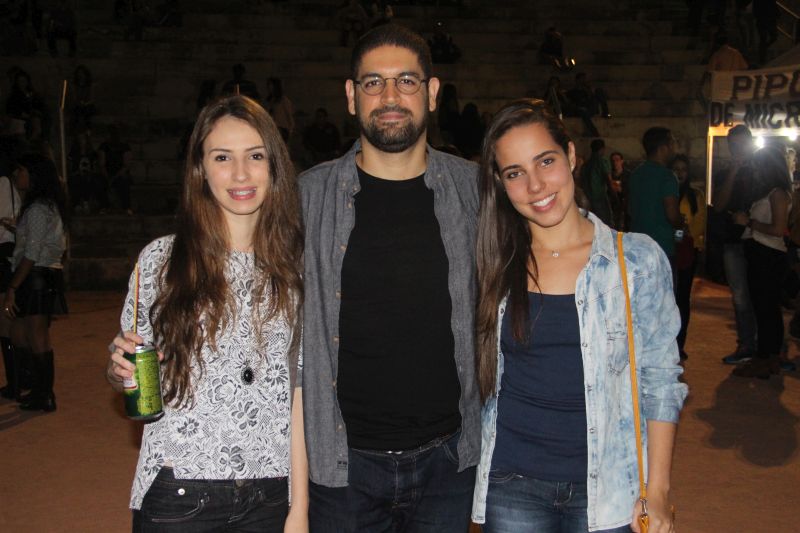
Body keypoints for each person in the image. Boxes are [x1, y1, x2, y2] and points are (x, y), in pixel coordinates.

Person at [471, 98, 687, 533]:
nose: (535, 185)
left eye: (545, 161)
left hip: (610, 486)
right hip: (512, 482)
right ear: (500, 183)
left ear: (570, 156)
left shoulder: (636, 261)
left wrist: (658, 489)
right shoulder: (492, 262)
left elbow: (661, 380)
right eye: (514, 173)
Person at [298, 24, 480, 532]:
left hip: (449, 462)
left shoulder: (474, 191)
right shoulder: (306, 198)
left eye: (407, 81)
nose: (391, 96)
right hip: (343, 466)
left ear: (432, 92)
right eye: (374, 83)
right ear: (351, 95)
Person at [106, 95, 309, 531]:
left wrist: (300, 508)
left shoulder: (298, 269)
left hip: (271, 494)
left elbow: (301, 394)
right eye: (222, 157)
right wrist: (120, 370)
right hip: (180, 490)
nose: (241, 173)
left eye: (255, 156)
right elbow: (134, 371)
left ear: (275, 166)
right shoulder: (161, 260)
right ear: (200, 169)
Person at [3, 153, 68, 412]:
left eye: (22, 171)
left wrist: (13, 287)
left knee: (36, 335)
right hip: (37, 273)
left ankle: (44, 394)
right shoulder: (40, 206)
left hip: (37, 275)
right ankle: (37, 388)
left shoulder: (39, 208)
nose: (17, 175)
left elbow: (32, 253)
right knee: (21, 332)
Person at [731, 145, 792, 378]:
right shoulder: (771, 192)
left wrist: (748, 222)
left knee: (766, 309)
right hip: (761, 253)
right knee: (765, 308)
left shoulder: (777, 193)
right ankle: (767, 357)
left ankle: (767, 357)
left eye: (759, 165)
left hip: (768, 254)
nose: (756, 170)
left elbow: (778, 229)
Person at [711, 125, 758, 364]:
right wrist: (733, 171)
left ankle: (767, 346)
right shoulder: (723, 174)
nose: (738, 150)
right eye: (734, 146)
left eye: (742, 145)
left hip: (759, 239)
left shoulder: (761, 170)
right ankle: (746, 344)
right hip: (733, 241)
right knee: (740, 296)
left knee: (762, 293)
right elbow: (719, 205)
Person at [627, 127, 683, 264]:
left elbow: (629, 209)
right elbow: (672, 215)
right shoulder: (667, 176)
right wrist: (681, 224)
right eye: (673, 143)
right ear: (663, 148)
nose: (675, 148)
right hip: (661, 247)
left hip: (638, 246)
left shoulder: (635, 174)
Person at [670, 154, 706, 360]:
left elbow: (699, 223)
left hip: (687, 249)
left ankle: (680, 343)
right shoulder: (667, 192)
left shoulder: (695, 196)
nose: (680, 173)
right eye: (676, 169)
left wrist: (683, 231)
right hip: (669, 248)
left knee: (682, 297)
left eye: (683, 169)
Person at [0, 154, 21, 400]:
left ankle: (16, 382)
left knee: (6, 324)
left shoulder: (4, 183)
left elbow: (6, 220)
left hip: (5, 256)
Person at [98, 125, 133, 214]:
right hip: (107, 173)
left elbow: (126, 165)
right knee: (100, 181)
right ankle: (104, 206)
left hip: (120, 173)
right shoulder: (103, 146)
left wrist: (114, 177)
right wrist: (107, 177)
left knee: (124, 180)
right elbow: (102, 164)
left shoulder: (125, 147)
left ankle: (126, 207)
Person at [582, 138, 614, 226]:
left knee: (592, 223)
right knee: (605, 222)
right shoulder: (602, 161)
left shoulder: (586, 164)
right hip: (600, 197)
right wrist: (614, 196)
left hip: (588, 199)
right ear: (602, 149)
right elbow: (608, 180)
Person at [265, 77, 294, 143]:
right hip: (272, 128)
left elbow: (289, 116)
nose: (269, 88)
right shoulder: (269, 101)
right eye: (268, 85)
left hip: (282, 129)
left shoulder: (284, 101)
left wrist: (290, 130)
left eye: (271, 85)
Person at [609, 151, 630, 230]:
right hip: (612, 206)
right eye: (613, 161)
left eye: (617, 160)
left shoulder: (628, 175)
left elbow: (630, 190)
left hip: (625, 206)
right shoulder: (609, 175)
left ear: (622, 161)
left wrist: (621, 190)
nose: (615, 163)